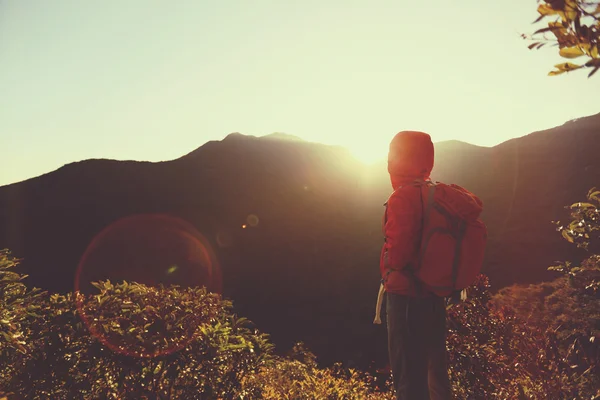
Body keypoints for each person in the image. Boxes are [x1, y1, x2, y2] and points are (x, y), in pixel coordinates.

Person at [376, 131, 452, 400]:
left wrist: (386, 267)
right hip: (433, 295)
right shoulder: (436, 194)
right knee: (435, 375)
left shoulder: (402, 198)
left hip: (406, 299)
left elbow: (398, 257)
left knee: (409, 378)